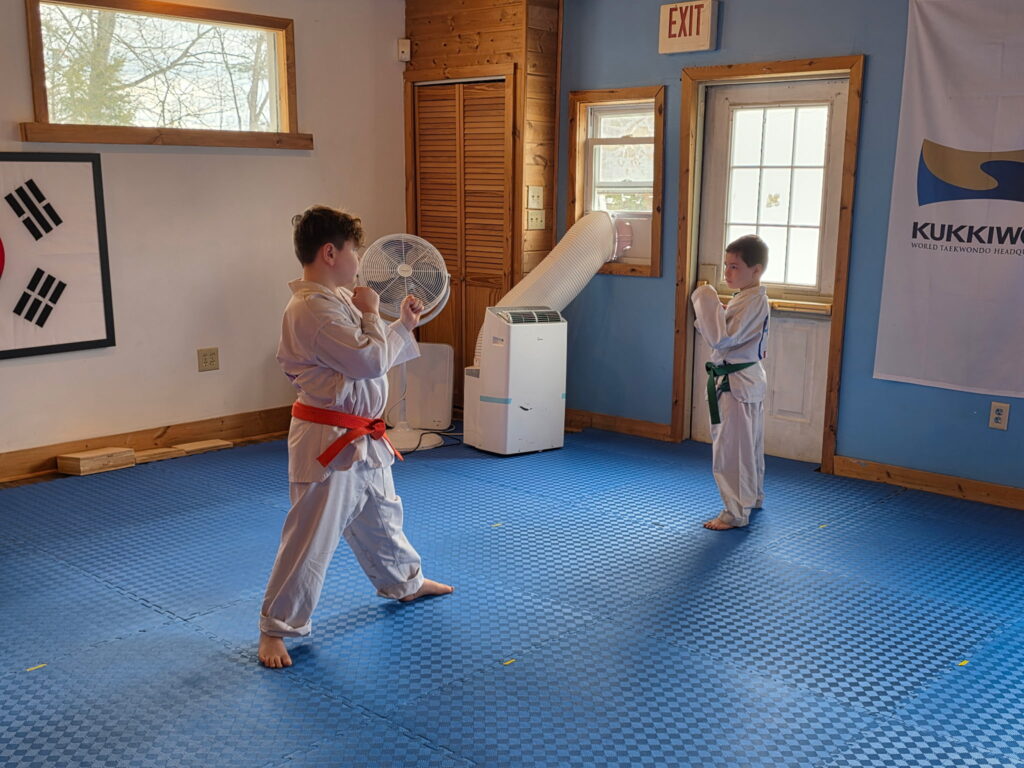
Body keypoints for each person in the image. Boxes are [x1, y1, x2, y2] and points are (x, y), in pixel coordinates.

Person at [258, 205, 453, 669]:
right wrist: (371, 313)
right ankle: (275, 628)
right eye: (356, 252)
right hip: (329, 440)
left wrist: (400, 325)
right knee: (311, 537)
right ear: (330, 253)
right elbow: (368, 361)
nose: (360, 261)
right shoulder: (312, 309)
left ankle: (405, 582)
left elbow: (372, 352)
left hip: (362, 435)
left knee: (382, 516)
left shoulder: (337, 299)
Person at [690, 234, 770, 531]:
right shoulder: (747, 298)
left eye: (734, 267)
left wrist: (704, 297)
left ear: (756, 270)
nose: (727, 272)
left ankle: (735, 512)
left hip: (736, 385)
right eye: (726, 265)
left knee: (732, 450)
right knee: (748, 446)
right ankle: (753, 497)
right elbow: (726, 332)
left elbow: (721, 339)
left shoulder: (751, 301)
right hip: (745, 381)